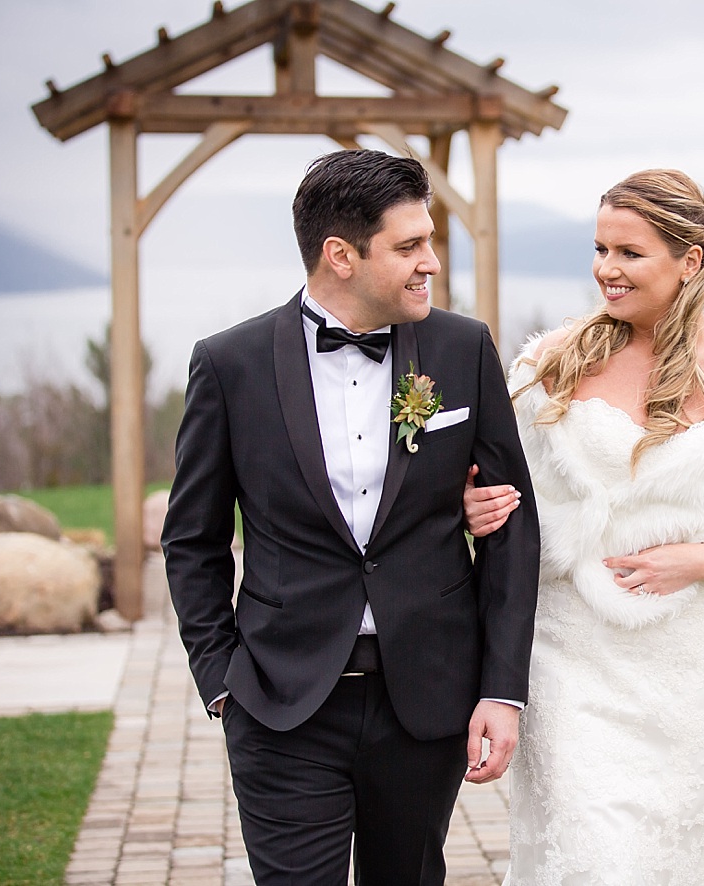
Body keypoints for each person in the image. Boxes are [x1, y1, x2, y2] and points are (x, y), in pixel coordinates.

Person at [162, 149, 540, 886]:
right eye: (408, 247)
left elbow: (511, 526)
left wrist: (500, 688)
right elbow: (192, 538)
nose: (429, 262)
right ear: (340, 255)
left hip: (424, 699)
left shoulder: (463, 349)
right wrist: (221, 679)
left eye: (427, 240)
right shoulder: (228, 363)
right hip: (280, 703)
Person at [463, 169, 704, 884]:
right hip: (570, 651)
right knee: (589, 854)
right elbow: (503, 492)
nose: (606, 270)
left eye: (629, 253)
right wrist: (473, 512)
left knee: (663, 857)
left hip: (687, 664)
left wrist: (703, 558)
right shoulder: (550, 364)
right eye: (599, 249)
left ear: (688, 261)